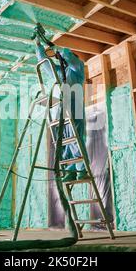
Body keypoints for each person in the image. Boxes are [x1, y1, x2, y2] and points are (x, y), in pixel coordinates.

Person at [35, 38, 88, 182]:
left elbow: (71, 59)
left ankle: (81, 169)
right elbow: (47, 66)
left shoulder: (78, 69)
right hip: (62, 107)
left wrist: (59, 50)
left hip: (75, 104)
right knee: (63, 139)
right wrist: (38, 46)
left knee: (76, 138)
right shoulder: (60, 72)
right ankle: (69, 171)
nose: (63, 61)